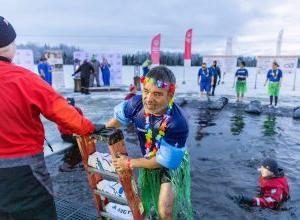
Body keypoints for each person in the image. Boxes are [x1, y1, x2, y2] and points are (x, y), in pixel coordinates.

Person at [0, 16, 103, 220]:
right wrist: (88, 128)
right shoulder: (24, 79)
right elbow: (64, 113)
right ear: (9, 46)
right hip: (24, 172)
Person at [106, 66, 192, 220]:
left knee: (164, 210)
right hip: (148, 157)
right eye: (146, 91)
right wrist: (92, 132)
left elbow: (165, 161)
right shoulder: (135, 105)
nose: (149, 99)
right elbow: (115, 122)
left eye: (157, 94)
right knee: (148, 204)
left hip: (172, 163)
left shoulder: (178, 122)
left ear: (170, 95)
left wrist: (130, 163)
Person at [57, 98, 84, 172]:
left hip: (76, 132)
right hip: (66, 135)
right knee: (79, 142)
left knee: (87, 139)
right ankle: (68, 164)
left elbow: (82, 121)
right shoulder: (61, 112)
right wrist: (73, 133)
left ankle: (80, 161)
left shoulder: (78, 110)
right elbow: (62, 129)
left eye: (70, 106)